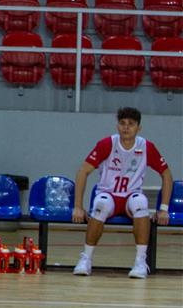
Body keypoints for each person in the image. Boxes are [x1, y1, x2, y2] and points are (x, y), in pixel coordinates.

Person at [71, 107, 173, 279]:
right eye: (122, 123)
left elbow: (167, 175)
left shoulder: (146, 146)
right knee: (101, 204)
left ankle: (140, 262)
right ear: (117, 126)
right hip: (108, 194)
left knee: (141, 203)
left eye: (131, 124)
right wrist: (78, 207)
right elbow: (83, 172)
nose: (126, 127)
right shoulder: (107, 144)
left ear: (139, 128)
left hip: (131, 196)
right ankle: (85, 259)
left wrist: (164, 209)